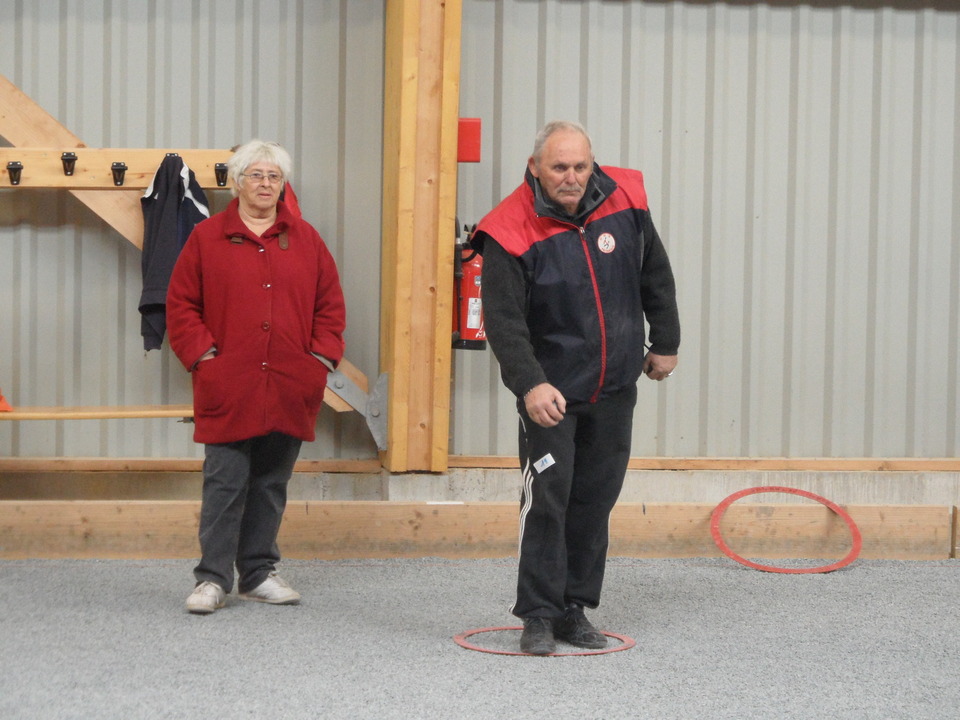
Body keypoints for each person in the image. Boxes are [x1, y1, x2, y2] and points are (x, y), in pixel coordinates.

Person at [472, 121, 680, 654]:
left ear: (593, 164)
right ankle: (538, 615)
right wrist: (530, 384)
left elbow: (654, 272)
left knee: (594, 500)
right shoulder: (506, 229)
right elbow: (503, 322)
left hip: (615, 385)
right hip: (552, 396)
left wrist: (666, 340)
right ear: (535, 166)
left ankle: (574, 608)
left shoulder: (625, 200)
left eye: (581, 166)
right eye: (560, 167)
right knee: (548, 500)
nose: (571, 178)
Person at [167, 139, 346, 615]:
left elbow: (330, 307)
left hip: (290, 384)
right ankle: (212, 579)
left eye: (274, 177)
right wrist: (205, 358)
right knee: (225, 482)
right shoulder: (206, 238)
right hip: (229, 384)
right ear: (235, 182)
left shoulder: (306, 240)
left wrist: (319, 362)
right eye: (256, 175)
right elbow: (181, 305)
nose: (265, 185)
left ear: (282, 185)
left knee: (270, 483)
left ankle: (259, 573)